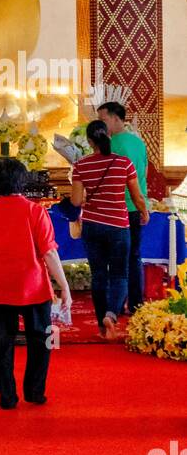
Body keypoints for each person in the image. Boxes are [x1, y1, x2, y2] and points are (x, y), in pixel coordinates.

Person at [0, 157, 71, 409]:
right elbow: (49, 252)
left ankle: (7, 395)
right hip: (34, 287)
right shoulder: (36, 211)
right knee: (43, 341)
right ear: (23, 182)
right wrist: (64, 286)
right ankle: (35, 391)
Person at [71, 119, 149, 340]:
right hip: (118, 226)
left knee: (98, 276)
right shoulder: (124, 163)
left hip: (93, 226)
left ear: (88, 141)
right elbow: (136, 196)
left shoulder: (81, 166)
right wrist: (144, 212)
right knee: (119, 274)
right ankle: (112, 314)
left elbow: (76, 201)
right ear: (108, 136)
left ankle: (101, 327)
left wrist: (88, 198)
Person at [97, 100, 148, 313]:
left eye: (103, 120)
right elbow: (143, 174)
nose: (101, 125)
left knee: (115, 260)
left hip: (116, 208)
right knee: (134, 257)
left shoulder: (113, 144)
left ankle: (115, 306)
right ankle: (136, 303)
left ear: (117, 118)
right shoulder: (138, 143)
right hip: (136, 206)